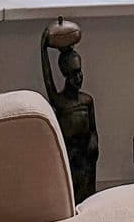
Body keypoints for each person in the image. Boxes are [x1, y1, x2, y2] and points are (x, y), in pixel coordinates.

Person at [41, 21, 99, 201]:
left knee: (88, 192)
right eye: (73, 74)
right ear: (65, 75)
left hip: (86, 155)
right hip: (70, 154)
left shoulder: (87, 100)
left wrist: (94, 144)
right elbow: (48, 79)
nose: (78, 78)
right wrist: (43, 47)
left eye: (80, 73)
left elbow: (93, 129)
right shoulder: (60, 102)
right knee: (71, 193)